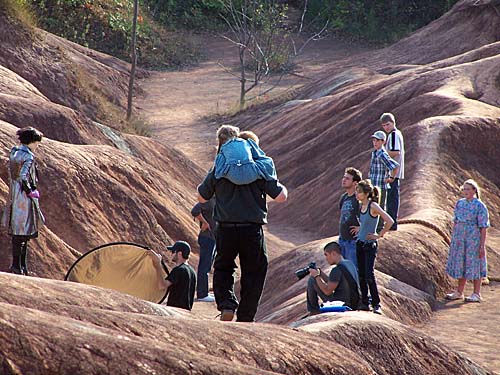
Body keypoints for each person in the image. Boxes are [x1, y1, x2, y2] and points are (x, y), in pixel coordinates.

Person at [198, 128, 288, 322]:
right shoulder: (259, 170)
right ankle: (246, 316)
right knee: (254, 271)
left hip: (226, 228)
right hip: (252, 229)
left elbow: (201, 197)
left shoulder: (220, 168)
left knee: (223, 267)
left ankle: (227, 305)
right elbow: (281, 197)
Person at [1, 127, 44, 276]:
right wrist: (30, 191)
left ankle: (18, 266)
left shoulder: (15, 153)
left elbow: (14, 174)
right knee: (24, 234)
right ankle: (20, 267)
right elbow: (23, 176)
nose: (38, 145)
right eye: (37, 142)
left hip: (14, 197)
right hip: (24, 200)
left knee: (17, 235)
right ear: (32, 141)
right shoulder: (28, 157)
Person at [445, 179, 489, 303]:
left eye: (468, 189)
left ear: (474, 190)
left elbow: (483, 227)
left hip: (473, 239)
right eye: (464, 189)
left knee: (475, 263)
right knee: (461, 263)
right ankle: (459, 291)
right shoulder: (460, 203)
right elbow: (456, 221)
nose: (466, 191)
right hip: (460, 238)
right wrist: (454, 238)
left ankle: (477, 293)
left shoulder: (480, 206)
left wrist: (481, 245)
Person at [354, 179, 394, 314]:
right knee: (361, 275)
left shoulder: (373, 206)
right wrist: (360, 229)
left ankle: (376, 304)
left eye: (359, 192)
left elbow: (389, 220)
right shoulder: (362, 206)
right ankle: (364, 302)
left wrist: (379, 235)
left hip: (369, 245)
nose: (357, 194)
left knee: (369, 274)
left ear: (366, 193)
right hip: (360, 243)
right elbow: (365, 223)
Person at [306, 241, 359, 314]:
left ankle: (314, 310)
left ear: (333, 253)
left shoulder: (337, 270)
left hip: (341, 303)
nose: (326, 258)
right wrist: (321, 273)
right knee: (314, 279)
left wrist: (316, 276)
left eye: (326, 255)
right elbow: (334, 282)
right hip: (354, 301)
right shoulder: (349, 264)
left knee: (312, 280)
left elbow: (327, 291)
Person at [149, 241, 197, 311]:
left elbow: (161, 285)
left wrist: (158, 265)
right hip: (186, 312)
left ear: (179, 253)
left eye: (173, 252)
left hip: (175, 311)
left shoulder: (178, 270)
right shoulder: (192, 271)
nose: (170, 254)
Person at [369, 130, 399, 231]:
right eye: (374, 140)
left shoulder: (382, 154)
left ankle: (379, 228)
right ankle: (374, 227)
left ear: (383, 142)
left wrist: (391, 178)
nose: (375, 142)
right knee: (373, 206)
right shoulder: (375, 153)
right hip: (373, 186)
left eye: (377, 140)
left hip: (381, 186)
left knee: (380, 207)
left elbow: (395, 166)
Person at [380, 113, 405, 230]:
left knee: (392, 198)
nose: (386, 127)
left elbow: (396, 151)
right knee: (391, 197)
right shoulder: (395, 134)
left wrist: (382, 153)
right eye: (384, 126)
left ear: (393, 123)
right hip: (394, 171)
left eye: (388, 124)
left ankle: (392, 223)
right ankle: (392, 222)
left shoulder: (394, 134)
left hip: (393, 172)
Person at [191, 198, 216, 302]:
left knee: (207, 265)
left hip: (212, 237)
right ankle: (202, 294)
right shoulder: (209, 200)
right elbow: (195, 211)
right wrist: (204, 222)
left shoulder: (218, 199)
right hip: (207, 237)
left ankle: (204, 292)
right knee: (204, 266)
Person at [339, 167, 362, 269]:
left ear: (355, 183)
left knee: (352, 268)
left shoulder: (358, 199)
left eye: (347, 178)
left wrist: (360, 228)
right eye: (344, 177)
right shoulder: (344, 197)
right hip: (342, 239)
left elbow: (366, 216)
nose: (344, 180)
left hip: (352, 242)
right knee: (343, 269)